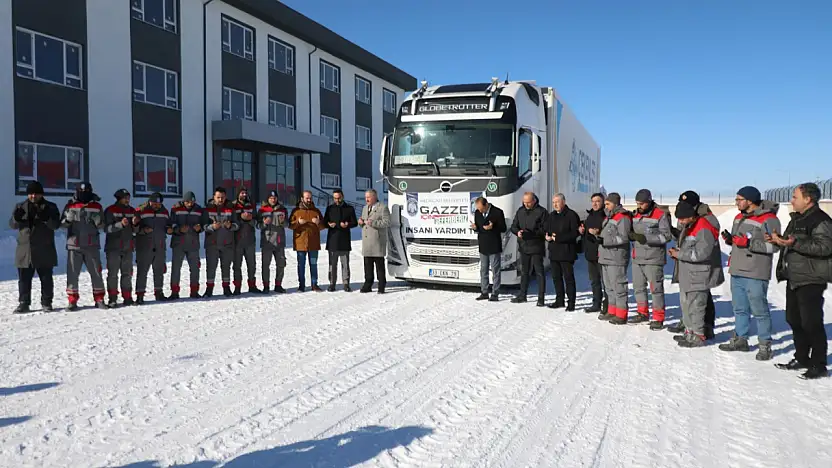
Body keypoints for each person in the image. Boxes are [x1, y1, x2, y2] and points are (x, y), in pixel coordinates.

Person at [770, 182, 831, 380]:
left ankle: (819, 364)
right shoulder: (796, 219)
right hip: (794, 277)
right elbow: (791, 240)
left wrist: (795, 242)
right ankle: (802, 357)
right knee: (794, 319)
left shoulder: (820, 220)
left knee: (811, 323)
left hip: (811, 278)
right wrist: (779, 240)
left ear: (808, 199)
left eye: (795, 197)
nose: (791, 200)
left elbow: (825, 247)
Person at [719, 186, 780, 360]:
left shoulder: (769, 219)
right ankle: (740, 339)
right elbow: (740, 240)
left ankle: (765, 345)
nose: (736, 202)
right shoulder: (739, 217)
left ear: (750, 201)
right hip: (737, 268)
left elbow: (774, 246)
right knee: (739, 308)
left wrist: (748, 243)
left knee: (759, 310)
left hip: (755, 271)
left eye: (739, 199)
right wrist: (732, 241)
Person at [667, 191, 723, 339]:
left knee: (702, 298)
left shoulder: (707, 219)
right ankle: (688, 325)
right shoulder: (686, 216)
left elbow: (706, 243)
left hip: (704, 265)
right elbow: (684, 235)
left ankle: (706, 327)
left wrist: (683, 252)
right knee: (688, 298)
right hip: (688, 262)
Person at [9, 181, 60, 313]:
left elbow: (55, 225)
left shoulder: (51, 207)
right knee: (24, 279)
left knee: (46, 278)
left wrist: (46, 218)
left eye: (36, 194)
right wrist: (16, 218)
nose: (33, 196)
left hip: (44, 248)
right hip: (25, 250)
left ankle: (47, 302)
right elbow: (12, 225)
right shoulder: (20, 206)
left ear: (41, 194)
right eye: (30, 193)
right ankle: (24, 303)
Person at [630, 189, 672, 329]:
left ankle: (658, 317)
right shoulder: (635, 215)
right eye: (637, 203)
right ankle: (642, 313)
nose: (639, 206)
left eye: (642, 203)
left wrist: (647, 239)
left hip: (654, 258)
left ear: (649, 202)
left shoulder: (660, 215)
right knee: (638, 287)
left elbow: (666, 236)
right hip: (638, 258)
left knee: (656, 289)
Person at [61, 182, 106, 310]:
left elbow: (103, 226)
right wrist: (68, 220)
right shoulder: (70, 205)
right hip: (74, 245)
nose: (84, 193)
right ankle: (72, 300)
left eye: (87, 191)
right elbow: (62, 224)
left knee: (96, 273)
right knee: (73, 274)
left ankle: (99, 298)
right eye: (81, 191)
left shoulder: (97, 206)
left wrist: (98, 222)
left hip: (91, 245)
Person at [597, 192, 632, 324]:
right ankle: (612, 311)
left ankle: (621, 314)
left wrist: (604, 240)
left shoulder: (622, 217)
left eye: (608, 203)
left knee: (618, 287)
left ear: (615, 203)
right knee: (609, 287)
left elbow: (623, 237)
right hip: (606, 257)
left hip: (616, 257)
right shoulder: (609, 216)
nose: (605, 206)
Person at [510, 192, 548, 306]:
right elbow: (513, 226)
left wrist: (531, 233)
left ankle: (541, 298)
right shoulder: (520, 211)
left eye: (528, 202)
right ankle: (522, 295)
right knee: (524, 272)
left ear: (534, 201)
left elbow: (545, 229)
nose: (526, 204)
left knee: (539, 272)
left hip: (536, 246)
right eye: (524, 202)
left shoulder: (542, 212)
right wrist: (518, 232)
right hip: (523, 246)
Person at [135, 192, 172, 304]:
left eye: (159, 204)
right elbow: (134, 229)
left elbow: (168, 225)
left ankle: (159, 292)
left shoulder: (165, 212)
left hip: (160, 245)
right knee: (142, 271)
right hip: (144, 246)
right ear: (150, 201)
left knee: (159, 270)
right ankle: (140, 295)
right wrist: (142, 230)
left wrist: (169, 229)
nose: (157, 205)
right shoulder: (140, 210)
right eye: (155, 203)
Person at [545, 193, 580, 310]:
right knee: (556, 278)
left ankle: (571, 303)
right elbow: (547, 229)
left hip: (566, 252)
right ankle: (559, 300)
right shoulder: (551, 215)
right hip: (554, 251)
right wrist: (548, 236)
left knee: (568, 278)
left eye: (557, 202)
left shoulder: (571, 215)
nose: (555, 204)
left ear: (563, 202)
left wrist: (557, 238)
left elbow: (574, 233)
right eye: (553, 202)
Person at [103, 189, 138, 307]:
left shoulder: (132, 211)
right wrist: (120, 224)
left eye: (128, 197)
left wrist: (136, 224)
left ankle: (127, 297)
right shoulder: (110, 210)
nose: (127, 200)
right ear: (119, 198)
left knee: (127, 273)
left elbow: (135, 230)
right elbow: (106, 229)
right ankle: (112, 298)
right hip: (113, 248)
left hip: (128, 247)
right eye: (125, 197)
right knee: (113, 274)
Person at [169, 191, 204, 300]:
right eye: (188, 202)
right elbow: (171, 223)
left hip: (193, 243)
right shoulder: (176, 209)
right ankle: (174, 292)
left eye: (192, 202)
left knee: (195, 268)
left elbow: (203, 223)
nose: (190, 204)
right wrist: (178, 229)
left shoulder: (199, 210)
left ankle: (194, 291)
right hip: (178, 243)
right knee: (176, 269)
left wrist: (200, 228)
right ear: (184, 201)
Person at [204, 187, 238, 297]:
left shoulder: (230, 208)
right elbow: (202, 226)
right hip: (212, 243)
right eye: (218, 197)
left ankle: (226, 287)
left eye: (222, 197)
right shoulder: (207, 209)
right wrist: (211, 226)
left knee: (226, 266)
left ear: (226, 197)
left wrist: (231, 226)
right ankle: (209, 289)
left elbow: (237, 225)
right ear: (214, 197)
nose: (220, 199)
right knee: (211, 267)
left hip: (227, 243)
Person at [471, 196, 506, 301]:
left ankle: (495, 293)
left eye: (481, 208)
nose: (479, 211)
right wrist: (475, 228)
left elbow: (503, 228)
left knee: (495, 270)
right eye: (478, 209)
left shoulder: (497, 212)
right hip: (483, 244)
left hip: (494, 245)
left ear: (486, 205)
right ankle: (484, 291)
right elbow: (478, 227)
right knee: (483, 270)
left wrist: (493, 227)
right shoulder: (477, 213)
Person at [290, 190, 325, 292]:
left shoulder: (316, 211)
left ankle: (314, 284)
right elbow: (290, 225)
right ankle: (302, 285)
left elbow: (323, 226)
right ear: (302, 199)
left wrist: (318, 223)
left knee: (313, 264)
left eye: (310, 198)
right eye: (307, 198)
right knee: (301, 265)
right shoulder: (296, 211)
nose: (309, 200)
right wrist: (298, 222)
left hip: (313, 243)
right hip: (300, 243)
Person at [324, 189, 358, 292]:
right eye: (335, 198)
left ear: (342, 196)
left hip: (344, 240)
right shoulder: (330, 208)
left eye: (338, 198)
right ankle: (332, 284)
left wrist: (348, 224)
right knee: (332, 265)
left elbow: (355, 223)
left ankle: (346, 284)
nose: (337, 200)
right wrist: (329, 224)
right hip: (332, 241)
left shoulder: (349, 208)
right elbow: (324, 222)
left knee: (345, 264)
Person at [580, 192, 608, 314]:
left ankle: (607, 306)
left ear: (603, 202)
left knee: (606, 282)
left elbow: (609, 234)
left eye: (598, 201)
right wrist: (582, 231)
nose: (595, 204)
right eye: (593, 201)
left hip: (602, 253)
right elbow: (586, 233)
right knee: (594, 280)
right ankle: (596, 303)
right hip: (590, 252)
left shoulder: (606, 215)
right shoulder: (590, 215)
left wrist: (598, 232)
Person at [358, 189, 391, 294]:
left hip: (377, 241)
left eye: (368, 197)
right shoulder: (364, 208)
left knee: (379, 266)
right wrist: (361, 222)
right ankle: (368, 284)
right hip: (367, 242)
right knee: (367, 265)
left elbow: (387, 222)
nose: (366, 199)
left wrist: (374, 222)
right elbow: (364, 221)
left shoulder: (383, 207)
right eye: (365, 197)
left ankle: (381, 285)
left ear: (374, 197)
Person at [258, 190, 288, 293]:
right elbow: (258, 225)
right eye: (271, 198)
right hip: (267, 242)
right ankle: (266, 286)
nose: (273, 199)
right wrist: (264, 223)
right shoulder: (262, 210)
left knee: (281, 264)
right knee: (266, 265)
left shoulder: (283, 209)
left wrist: (283, 222)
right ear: (268, 199)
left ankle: (278, 285)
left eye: (274, 198)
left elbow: (287, 225)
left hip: (279, 241)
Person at [232, 188, 261, 294]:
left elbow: (257, 222)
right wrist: (241, 218)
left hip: (250, 240)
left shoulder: (251, 205)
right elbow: (231, 221)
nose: (244, 194)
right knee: (236, 265)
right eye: (242, 193)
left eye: (245, 193)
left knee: (252, 265)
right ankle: (237, 287)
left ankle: (252, 285)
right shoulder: (233, 205)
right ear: (238, 194)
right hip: (237, 240)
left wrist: (250, 220)